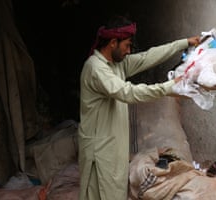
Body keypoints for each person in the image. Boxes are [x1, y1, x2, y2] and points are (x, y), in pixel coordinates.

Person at [78, 15, 200, 200]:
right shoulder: (96, 68)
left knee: (115, 191)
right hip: (100, 150)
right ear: (113, 43)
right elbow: (127, 93)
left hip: (113, 145)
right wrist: (169, 86)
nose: (129, 51)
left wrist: (182, 43)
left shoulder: (116, 64)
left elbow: (147, 57)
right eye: (126, 45)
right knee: (100, 193)